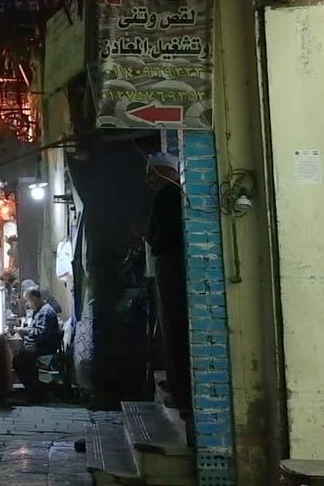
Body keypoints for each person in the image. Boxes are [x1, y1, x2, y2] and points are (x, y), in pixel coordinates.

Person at [144, 153, 194, 446]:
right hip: (169, 269)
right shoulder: (170, 195)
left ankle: (182, 392)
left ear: (164, 171)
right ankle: (180, 389)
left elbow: (162, 236)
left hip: (171, 270)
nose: (148, 179)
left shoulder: (168, 196)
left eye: (151, 173)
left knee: (175, 329)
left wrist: (147, 237)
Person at [11, 287, 63, 396]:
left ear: (34, 299)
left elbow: (42, 333)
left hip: (44, 347)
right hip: (39, 345)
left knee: (18, 360)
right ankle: (35, 387)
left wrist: (25, 331)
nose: (27, 304)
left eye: (27, 301)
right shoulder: (40, 310)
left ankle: (35, 390)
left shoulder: (45, 312)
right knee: (20, 355)